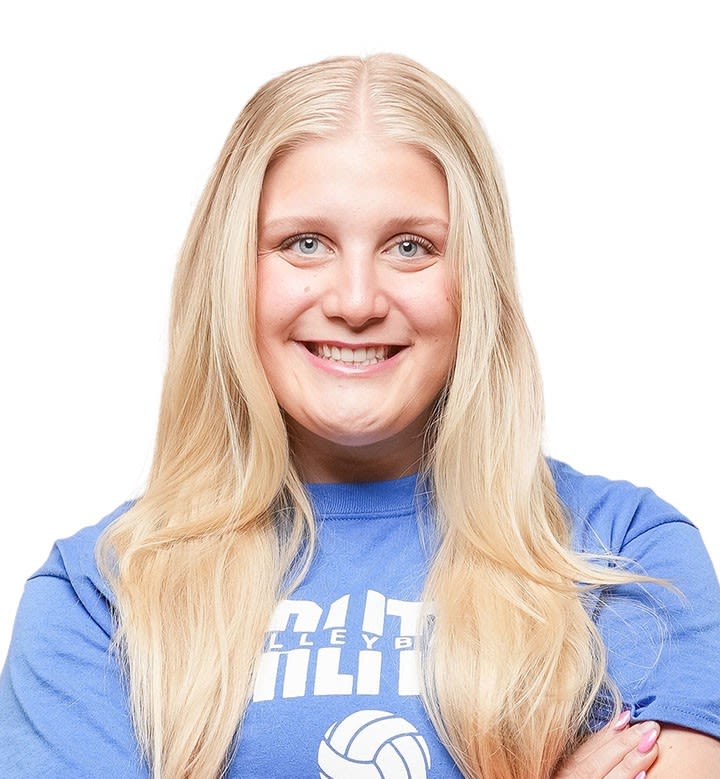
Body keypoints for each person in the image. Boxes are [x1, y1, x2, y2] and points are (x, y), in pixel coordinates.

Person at [1, 54, 719, 779]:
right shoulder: (98, 594)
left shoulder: (623, 555)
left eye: (411, 247)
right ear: (232, 273)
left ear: (476, 278)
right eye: (304, 244)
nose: (355, 301)